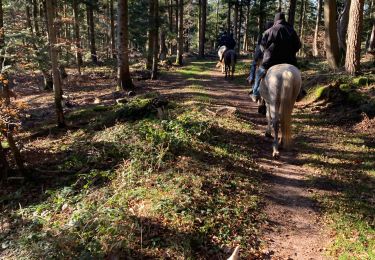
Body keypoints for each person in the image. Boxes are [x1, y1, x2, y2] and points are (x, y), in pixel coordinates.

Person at [250, 12, 301, 102]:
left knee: (259, 73)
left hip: (271, 61)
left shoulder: (270, 31)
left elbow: (262, 46)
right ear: (284, 19)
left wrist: (266, 52)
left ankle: (255, 93)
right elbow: (298, 46)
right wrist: (291, 52)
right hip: (290, 61)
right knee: (297, 74)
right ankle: (300, 92)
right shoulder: (292, 30)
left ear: (276, 20)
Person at [247, 21, 274, 92]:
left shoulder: (264, 34)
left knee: (254, 64)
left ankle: (251, 78)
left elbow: (260, 45)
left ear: (266, 27)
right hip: (274, 56)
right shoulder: (275, 33)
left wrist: (257, 56)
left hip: (264, 54)